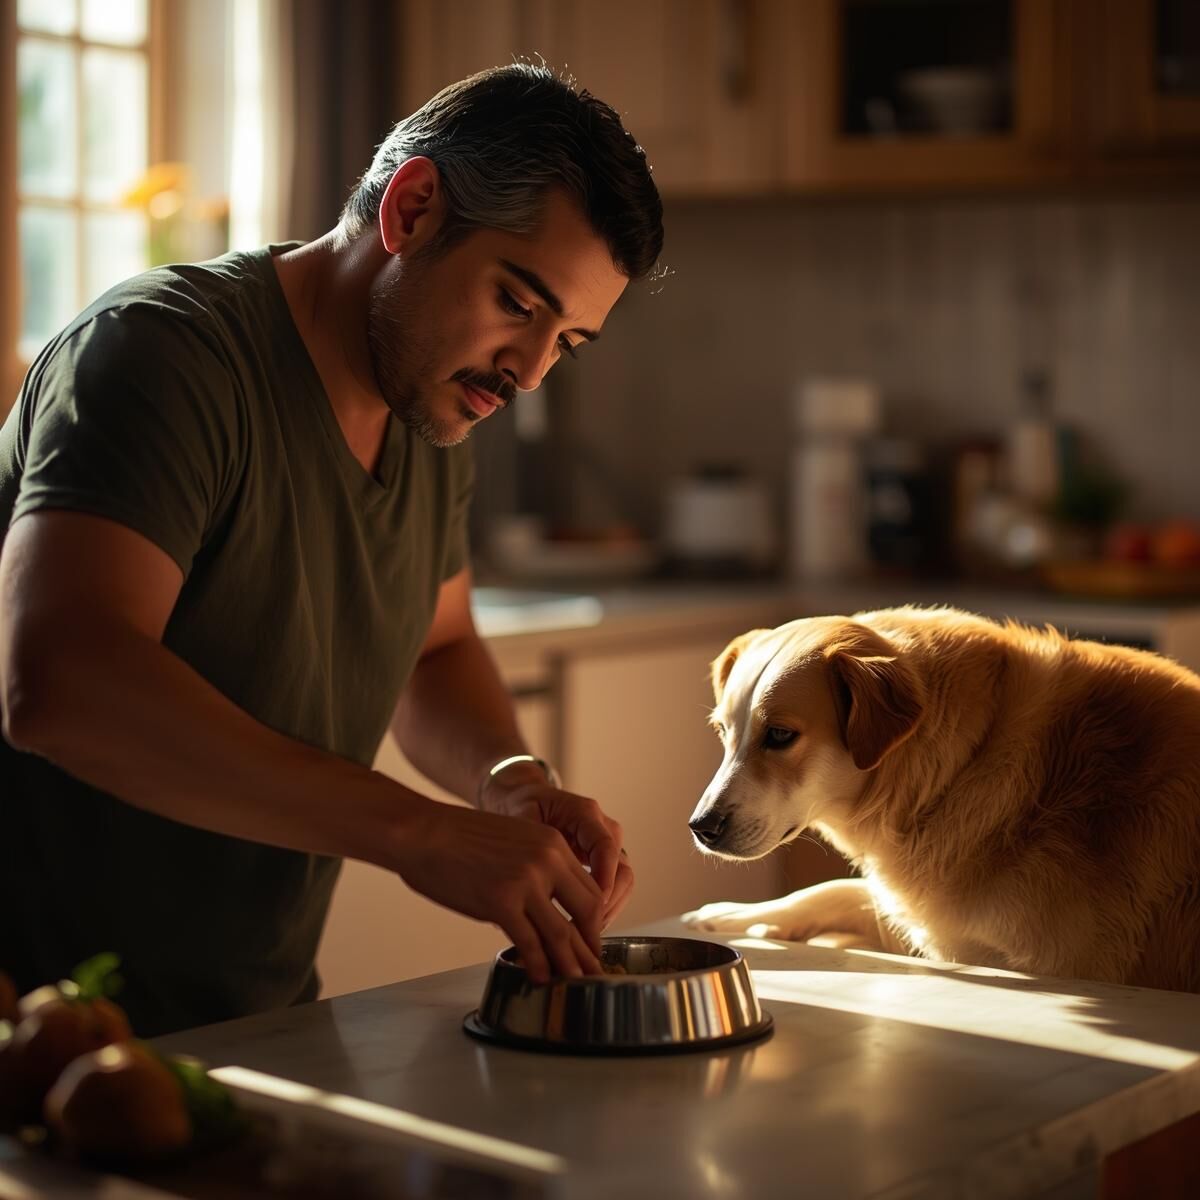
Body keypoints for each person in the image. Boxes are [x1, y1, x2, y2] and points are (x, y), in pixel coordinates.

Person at [0, 62, 664, 1036]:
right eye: (520, 304)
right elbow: (60, 681)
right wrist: (418, 831)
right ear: (415, 207)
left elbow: (435, 650)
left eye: (565, 341)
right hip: (44, 1036)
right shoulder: (160, 355)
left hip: (256, 1024)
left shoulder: (432, 405)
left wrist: (508, 781)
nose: (526, 373)